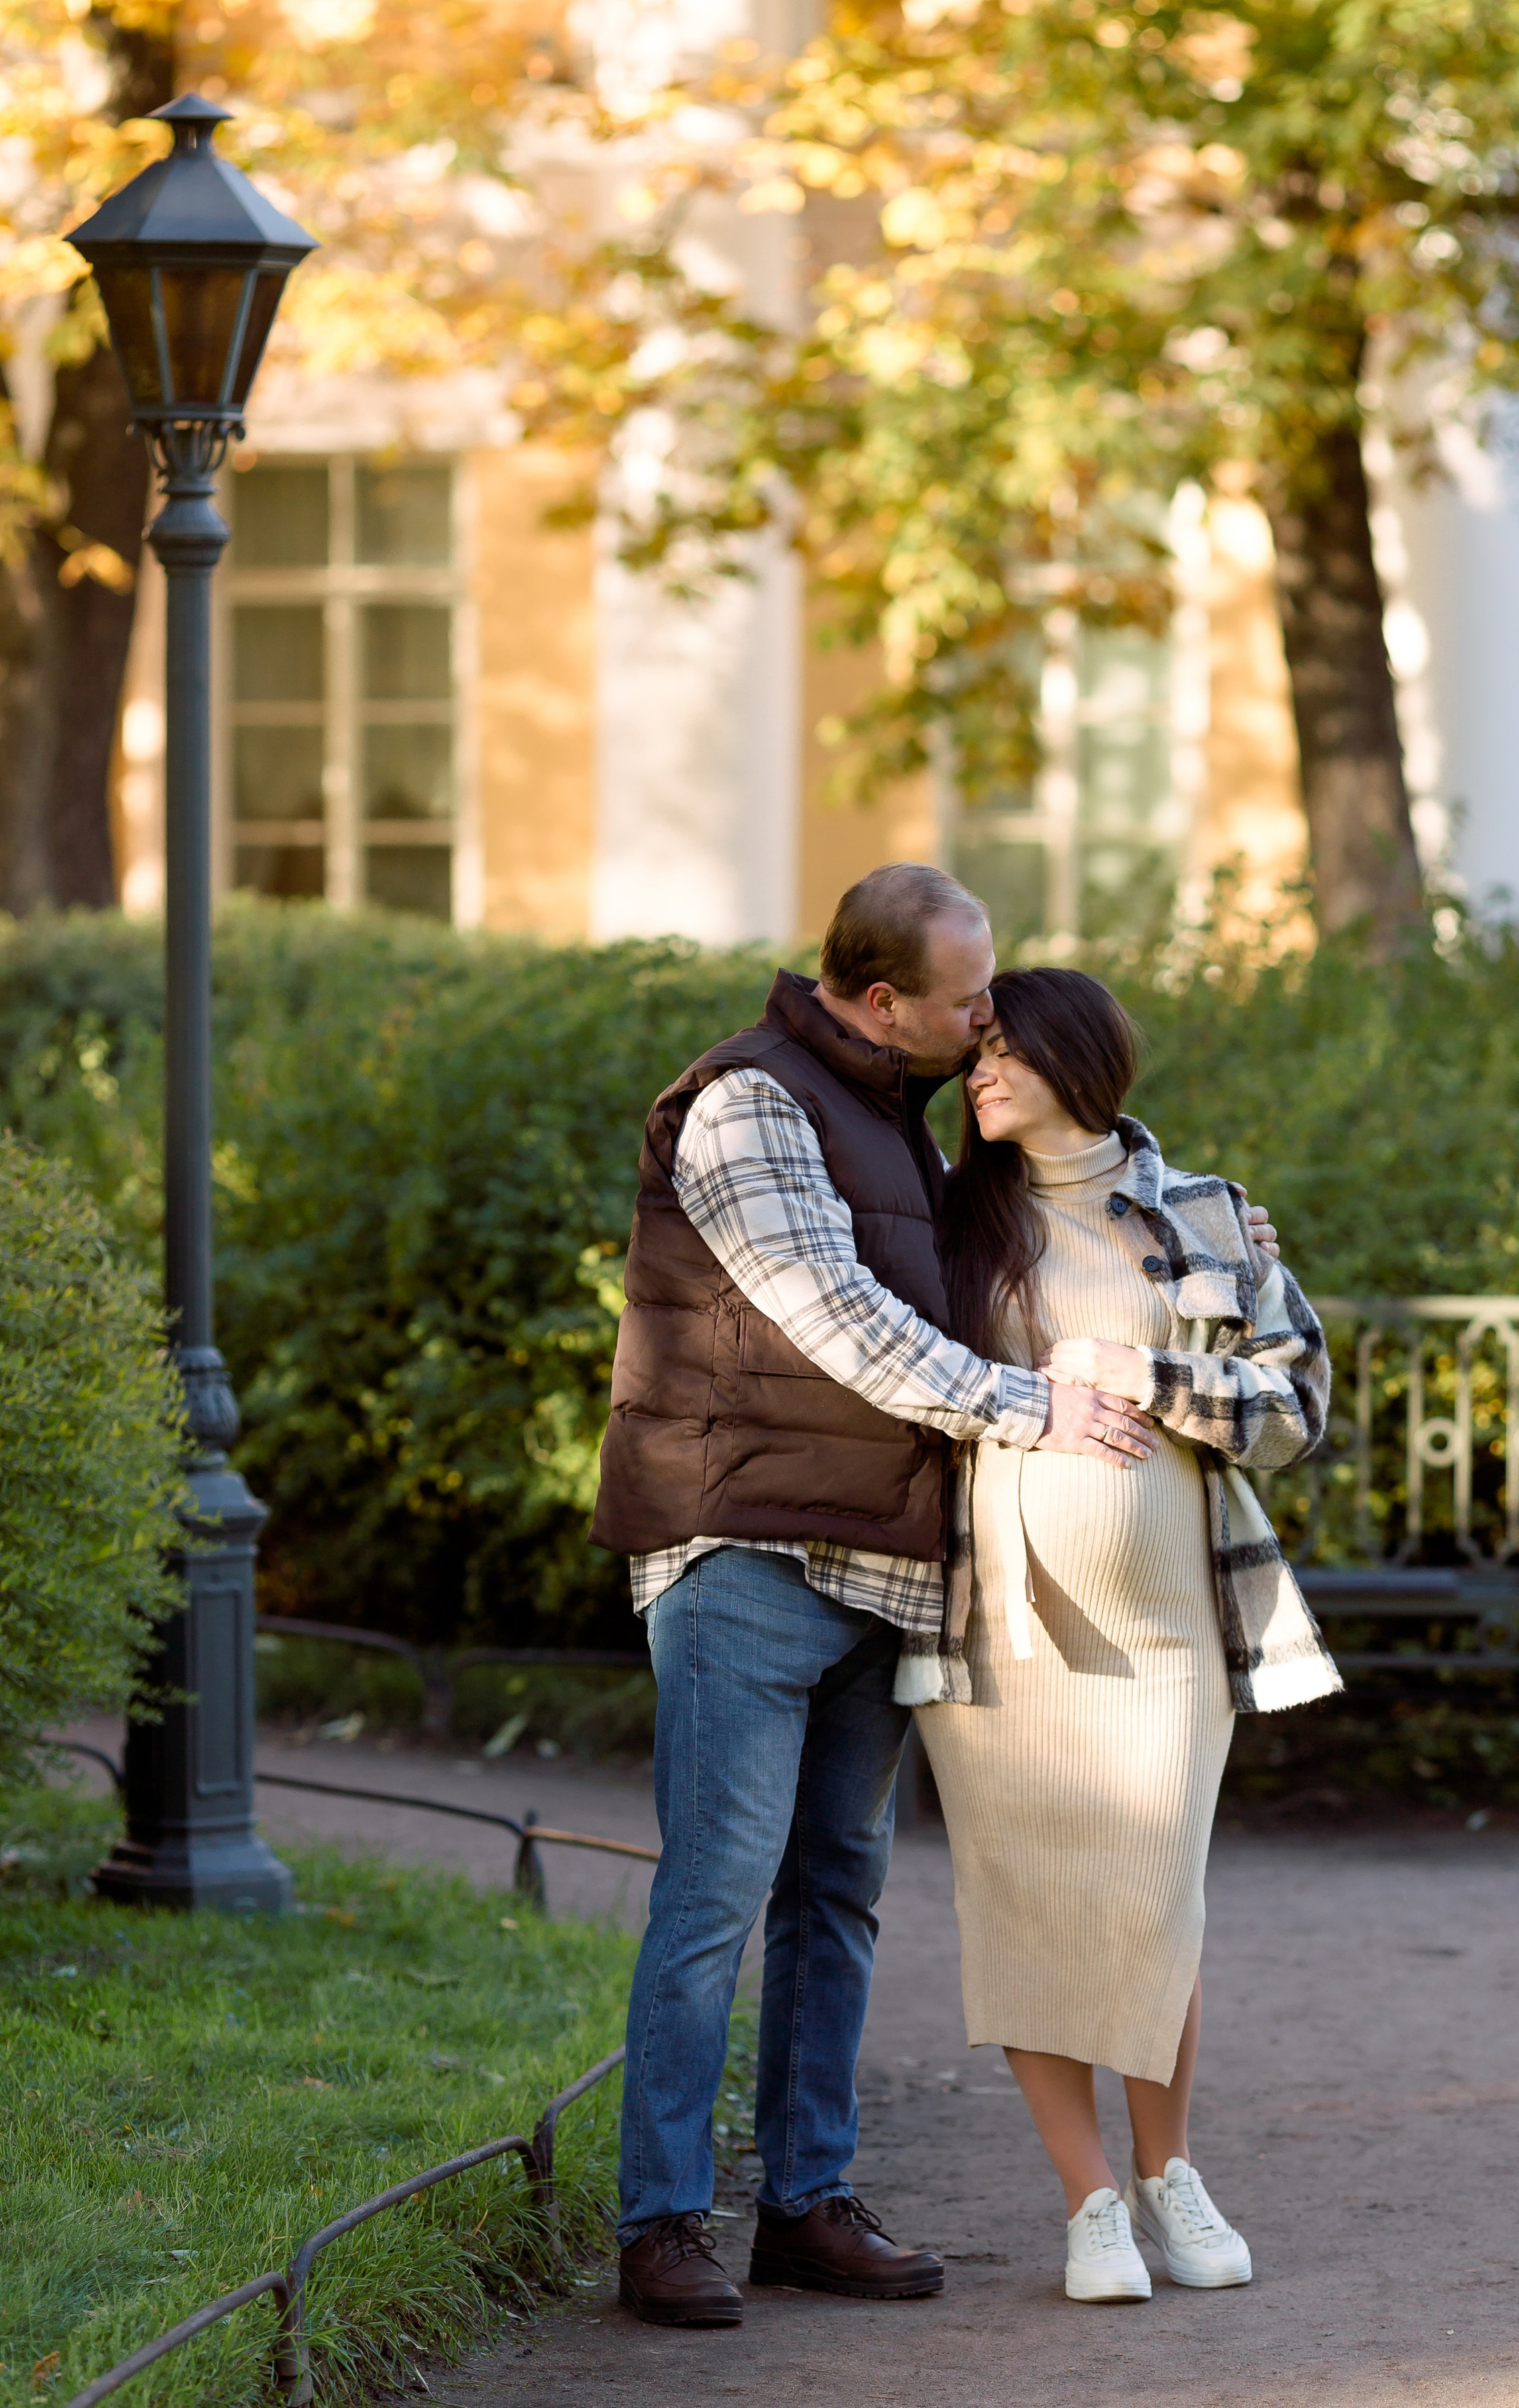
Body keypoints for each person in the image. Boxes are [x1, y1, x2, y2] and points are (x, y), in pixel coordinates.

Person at [588, 866, 1180, 2330]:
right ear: (876, 1000)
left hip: (879, 1564)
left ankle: (804, 2204)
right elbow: (833, 1318)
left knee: (837, 1898)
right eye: (965, 997)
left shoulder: (904, 1120)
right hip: (745, 1553)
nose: (986, 1017)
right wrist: (1024, 1408)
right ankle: (662, 2221)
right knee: (717, 1892)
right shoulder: (748, 1103)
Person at [918, 964, 1341, 2306]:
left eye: (994, 1053)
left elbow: (1290, 1410)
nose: (972, 1074)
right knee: (1024, 1903)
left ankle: (1168, 2175)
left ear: (1068, 1059)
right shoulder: (943, 1217)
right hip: (998, 1625)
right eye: (968, 1055)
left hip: (1170, 1624)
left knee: (1154, 1900)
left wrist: (1143, 1375)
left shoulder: (1207, 1214)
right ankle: (1088, 2200)